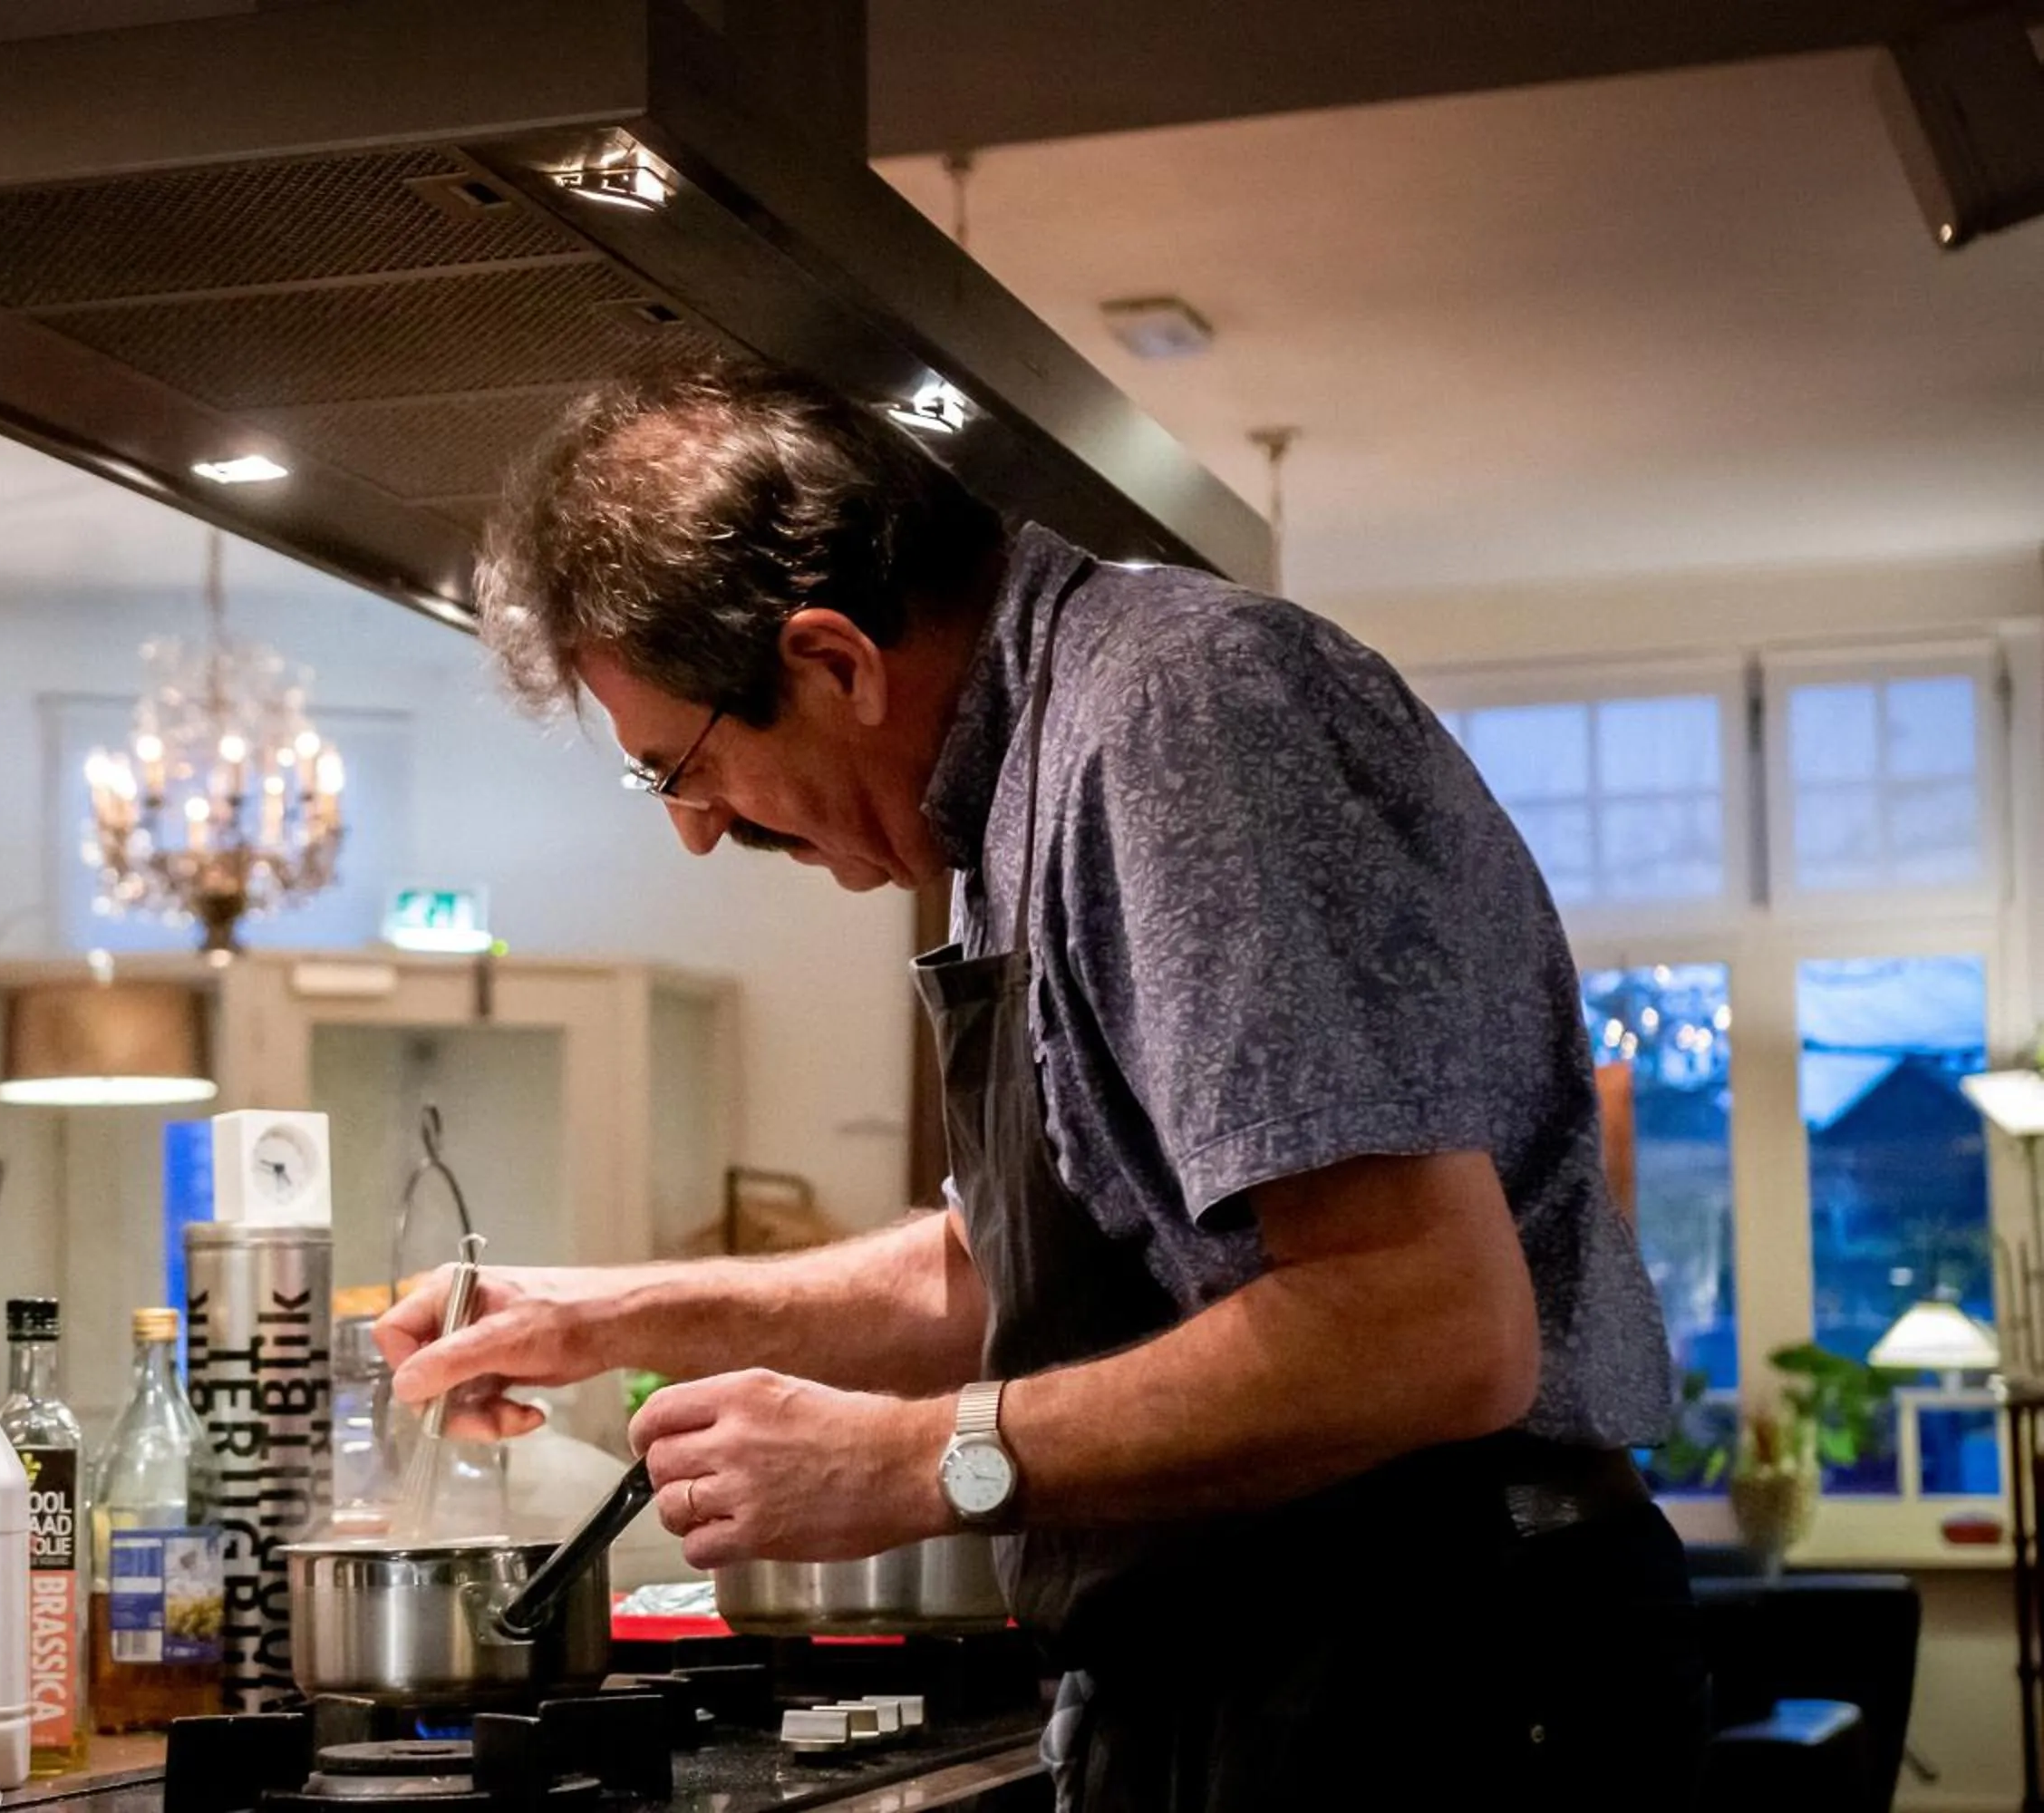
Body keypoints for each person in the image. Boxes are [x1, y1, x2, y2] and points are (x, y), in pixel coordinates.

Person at [376, 358, 1707, 1810]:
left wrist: (913, 1460)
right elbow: (1005, 1263)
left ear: (834, 664)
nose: (700, 834)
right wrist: (615, 1315)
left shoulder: (1174, 722)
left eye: (682, 767)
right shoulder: (1017, 784)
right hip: (1270, 1661)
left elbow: (1430, 1324)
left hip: (1430, 1660)